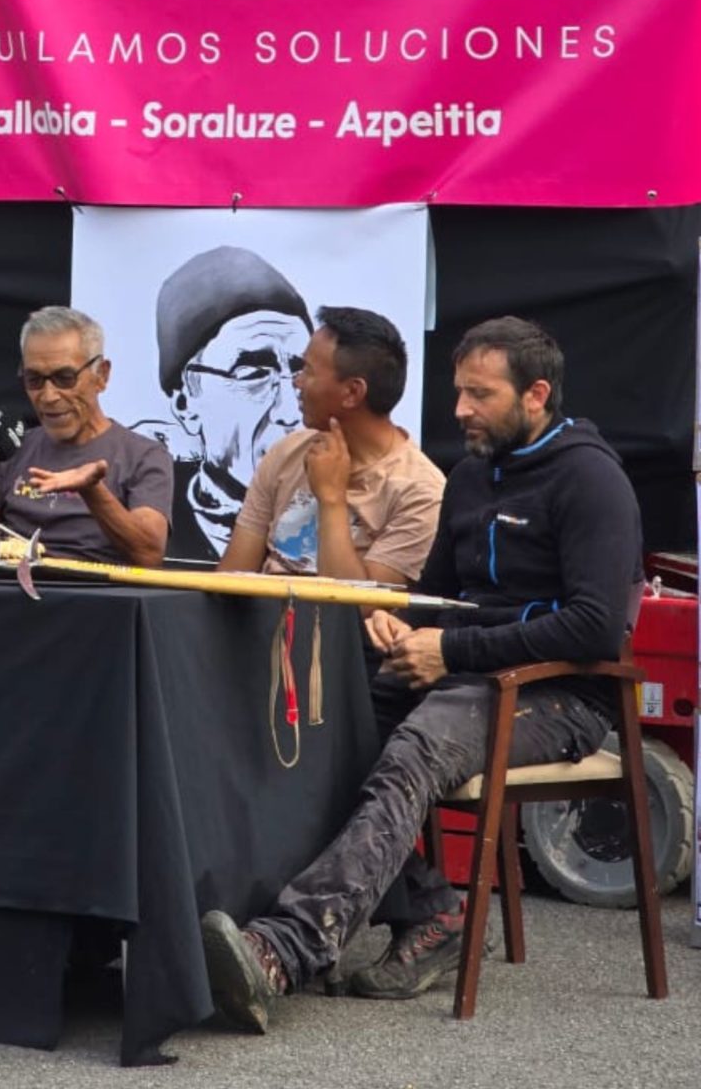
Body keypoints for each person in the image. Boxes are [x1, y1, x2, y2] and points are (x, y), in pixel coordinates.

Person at [201, 317, 639, 1024]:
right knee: (324, 731)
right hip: (469, 678)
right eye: (459, 392)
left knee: (413, 749)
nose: (459, 410)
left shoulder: (592, 480)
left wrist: (450, 649)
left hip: (564, 696)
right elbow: (438, 600)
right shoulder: (470, 478)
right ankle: (434, 913)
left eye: (479, 395)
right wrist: (399, 626)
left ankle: (285, 948)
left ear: (536, 394)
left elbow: (597, 626)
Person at [217, 306, 443, 586]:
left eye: (307, 371)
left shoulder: (420, 491)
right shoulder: (287, 451)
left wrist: (332, 499)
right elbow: (230, 579)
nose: (296, 382)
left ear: (352, 392)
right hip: (262, 625)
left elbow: (358, 609)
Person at [0, 306, 172, 567]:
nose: (49, 396)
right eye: (34, 379)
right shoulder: (11, 447)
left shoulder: (144, 456)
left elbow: (148, 554)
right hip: (10, 593)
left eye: (64, 378)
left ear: (101, 375)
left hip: (94, 599)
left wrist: (91, 490)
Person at [154, 247, 314, 561]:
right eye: (253, 374)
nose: (289, 412)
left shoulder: (337, 499)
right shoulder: (152, 507)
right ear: (186, 402)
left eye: (300, 374)